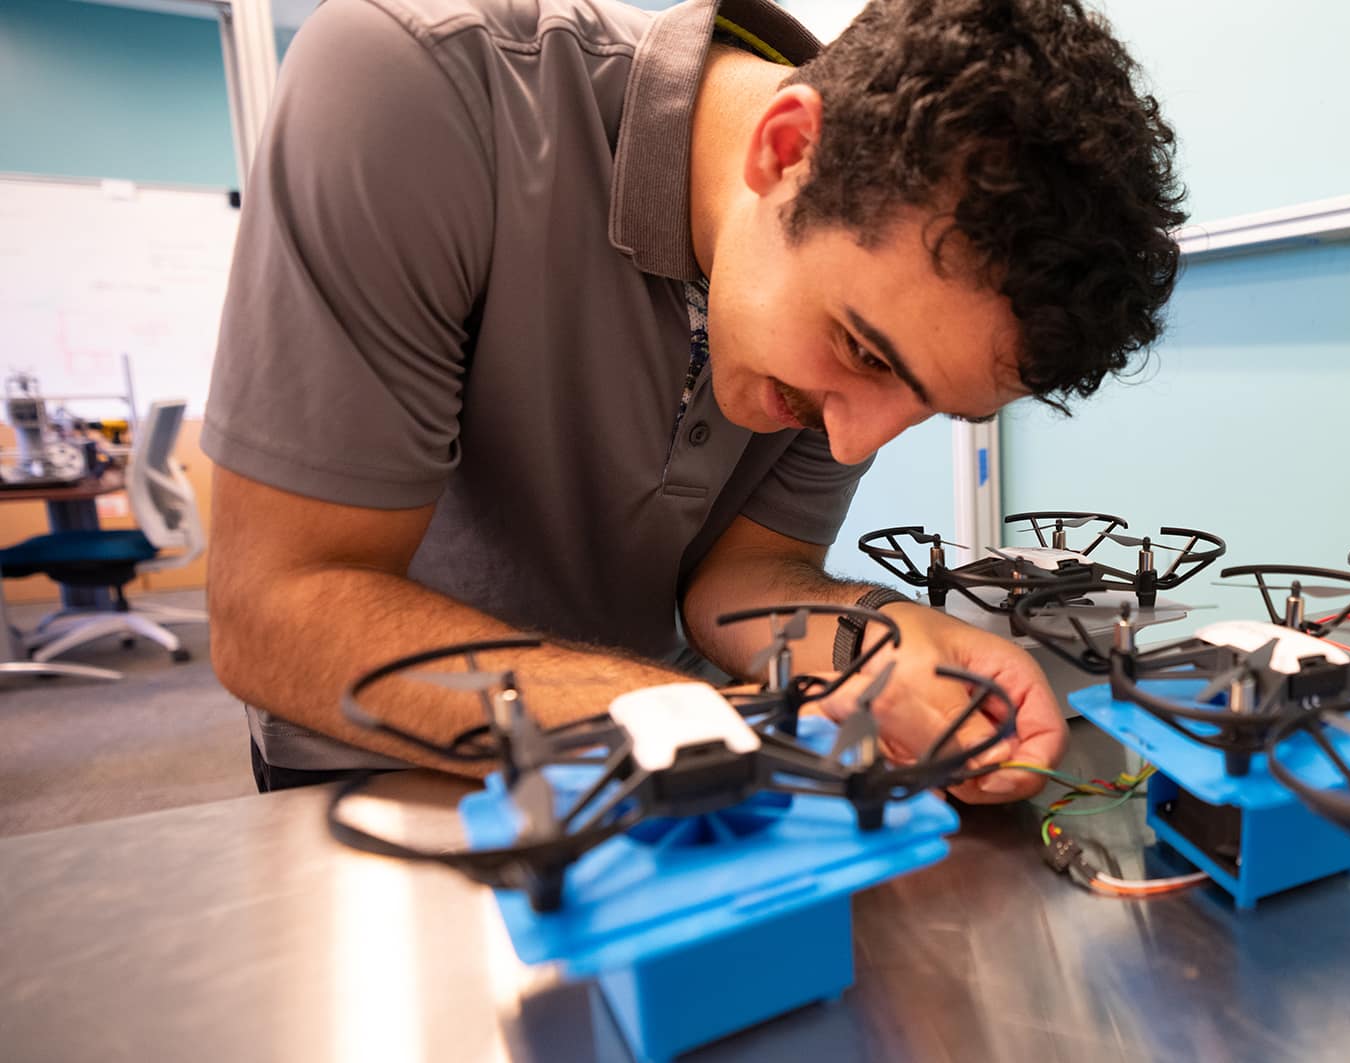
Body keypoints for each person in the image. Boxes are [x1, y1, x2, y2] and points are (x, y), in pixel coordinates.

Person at [201, 0, 1186, 799]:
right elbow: (276, 609)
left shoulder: (869, 302)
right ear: (787, 150)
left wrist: (873, 643)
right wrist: (672, 715)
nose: (855, 441)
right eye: (863, 352)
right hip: (384, 787)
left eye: (926, 406)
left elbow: (744, 578)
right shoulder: (418, 83)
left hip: (673, 765)